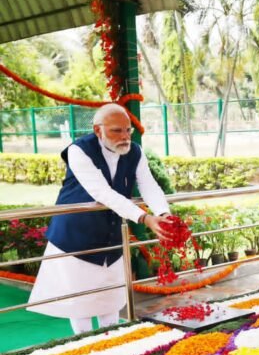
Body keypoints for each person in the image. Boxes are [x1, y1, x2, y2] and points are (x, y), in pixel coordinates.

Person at [28, 103, 173, 334]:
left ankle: (112, 342)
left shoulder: (135, 150)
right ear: (98, 130)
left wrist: (164, 214)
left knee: (110, 299)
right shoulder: (79, 150)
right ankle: (86, 345)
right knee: (80, 304)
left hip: (110, 236)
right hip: (75, 236)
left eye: (128, 130)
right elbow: (102, 193)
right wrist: (145, 218)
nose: (125, 136)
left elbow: (148, 184)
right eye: (117, 130)